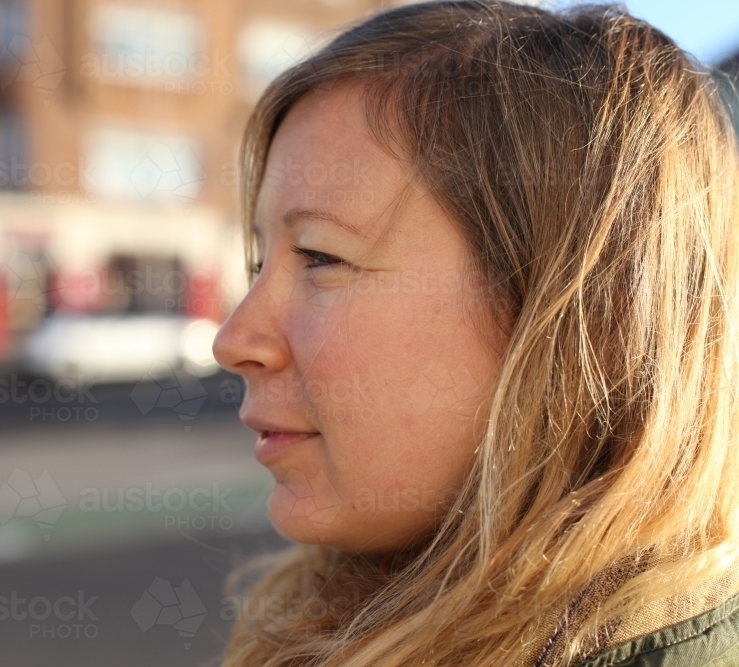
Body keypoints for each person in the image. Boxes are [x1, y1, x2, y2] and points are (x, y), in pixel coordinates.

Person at [211, 2, 739, 665]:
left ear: (584, 314)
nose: (233, 340)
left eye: (320, 257)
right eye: (261, 264)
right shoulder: (350, 608)